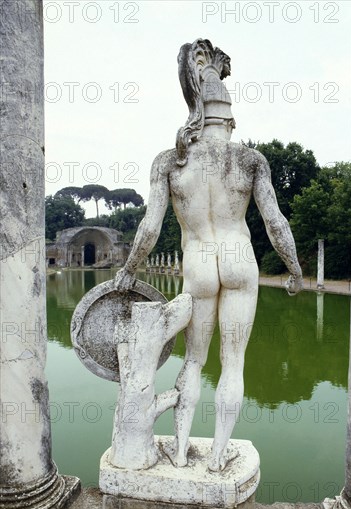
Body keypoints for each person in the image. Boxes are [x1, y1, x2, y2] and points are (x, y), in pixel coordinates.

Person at [115, 39, 303, 471]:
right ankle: (218, 457)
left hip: (198, 262)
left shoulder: (170, 161)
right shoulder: (251, 160)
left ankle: (180, 452)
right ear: (230, 116)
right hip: (240, 261)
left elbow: (149, 227)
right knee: (233, 364)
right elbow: (276, 223)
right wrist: (294, 269)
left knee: (195, 361)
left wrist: (129, 270)